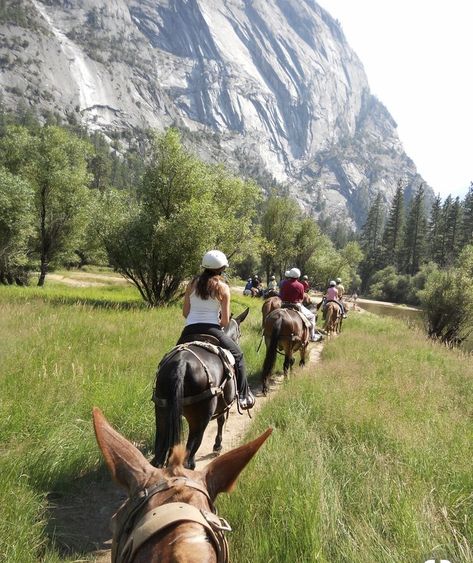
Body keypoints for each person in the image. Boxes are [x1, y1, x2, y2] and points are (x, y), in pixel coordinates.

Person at [179, 250, 255, 410]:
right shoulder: (223, 288)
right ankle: (243, 395)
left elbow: (185, 313)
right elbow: (226, 321)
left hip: (189, 330)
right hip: (212, 330)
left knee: (173, 355)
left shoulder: (191, 284)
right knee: (239, 356)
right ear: (222, 268)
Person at [279, 267, 319, 342]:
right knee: (312, 316)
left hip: (283, 304)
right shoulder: (300, 285)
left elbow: (281, 294)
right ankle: (313, 336)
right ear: (298, 275)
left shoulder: (284, 283)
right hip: (295, 305)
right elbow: (301, 297)